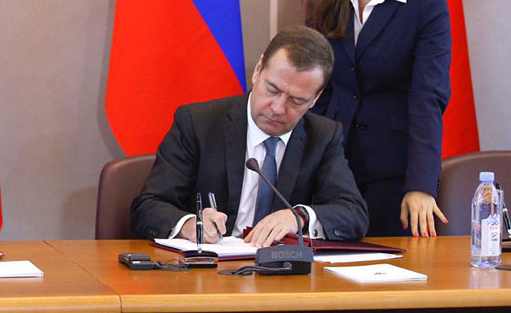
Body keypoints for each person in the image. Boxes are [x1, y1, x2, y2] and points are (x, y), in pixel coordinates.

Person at [130, 26, 368, 247]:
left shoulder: (323, 136)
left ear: (315, 98)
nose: (278, 108)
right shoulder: (198, 123)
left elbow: (354, 213)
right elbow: (148, 207)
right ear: (258, 70)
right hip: (208, 269)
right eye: (272, 89)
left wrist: (300, 216)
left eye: (297, 101)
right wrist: (190, 226)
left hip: (283, 271)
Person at [306, 0, 450, 237]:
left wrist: (421, 185)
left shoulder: (426, 1)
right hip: (333, 165)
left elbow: (427, 96)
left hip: (394, 169)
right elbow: (316, 87)